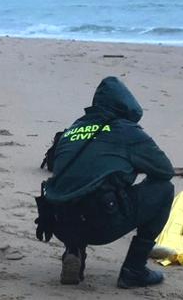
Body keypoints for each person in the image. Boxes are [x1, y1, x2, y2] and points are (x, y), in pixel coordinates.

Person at [36, 76, 175, 288]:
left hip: (58, 222)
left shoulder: (72, 129)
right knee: (164, 190)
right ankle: (134, 270)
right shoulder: (127, 132)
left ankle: (73, 250)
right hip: (101, 222)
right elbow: (164, 171)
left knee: (78, 190)